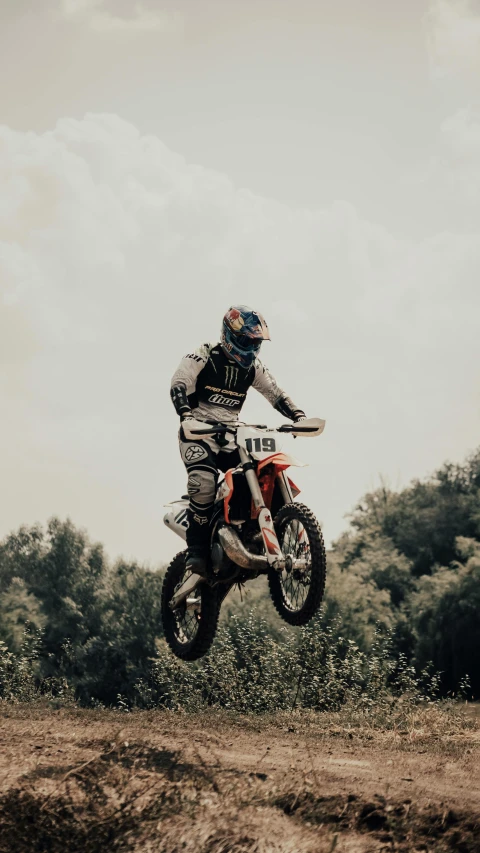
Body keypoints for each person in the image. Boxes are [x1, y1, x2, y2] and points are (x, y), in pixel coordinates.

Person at [170, 305, 307, 575]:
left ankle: (259, 534)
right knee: (204, 481)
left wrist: (298, 416)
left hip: (232, 435)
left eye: (255, 342)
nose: (250, 348)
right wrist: (185, 415)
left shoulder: (253, 367)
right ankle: (196, 553)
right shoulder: (205, 354)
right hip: (198, 432)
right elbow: (179, 382)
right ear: (228, 335)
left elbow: (275, 393)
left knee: (263, 469)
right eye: (246, 341)